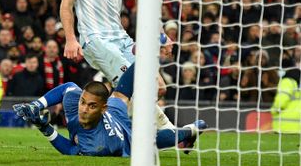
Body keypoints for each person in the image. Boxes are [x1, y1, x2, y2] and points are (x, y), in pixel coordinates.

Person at [13, 63, 206, 156]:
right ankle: (143, 55)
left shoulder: (99, 146)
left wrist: (45, 128)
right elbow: (67, 87)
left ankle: (193, 129)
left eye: (91, 106)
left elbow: (70, 149)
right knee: (120, 95)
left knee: (149, 140)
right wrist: (36, 105)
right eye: (83, 102)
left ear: (102, 108)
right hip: (114, 111)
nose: (84, 109)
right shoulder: (75, 104)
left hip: (126, 138)